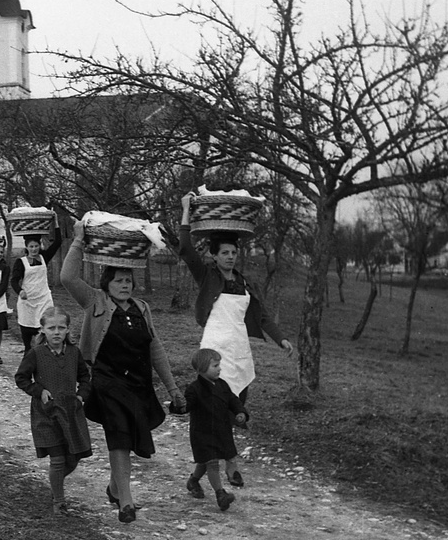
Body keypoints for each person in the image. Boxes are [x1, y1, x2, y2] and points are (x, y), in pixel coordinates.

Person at [60, 219, 184, 523]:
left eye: (128, 279)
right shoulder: (95, 301)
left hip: (138, 384)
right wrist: (78, 240)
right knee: (118, 433)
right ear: (107, 283)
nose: (124, 284)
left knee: (128, 437)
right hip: (105, 381)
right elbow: (66, 277)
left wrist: (173, 389)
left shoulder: (142, 308)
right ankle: (126, 503)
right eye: (118, 279)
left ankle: (116, 488)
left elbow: (155, 349)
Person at [178, 192, 293, 487]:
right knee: (215, 409)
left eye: (233, 252)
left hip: (239, 350)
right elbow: (185, 249)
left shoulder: (244, 282)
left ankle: (196, 478)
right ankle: (232, 466)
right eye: (224, 252)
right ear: (214, 256)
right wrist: (186, 212)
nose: (230, 256)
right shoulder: (207, 277)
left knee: (233, 408)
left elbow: (263, 315)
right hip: (215, 349)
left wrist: (280, 340)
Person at [14, 306, 92, 515]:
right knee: (57, 459)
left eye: (61, 327)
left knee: (73, 457)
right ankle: (59, 502)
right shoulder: (36, 354)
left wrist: (81, 395)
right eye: (51, 328)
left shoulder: (74, 353)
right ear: (43, 330)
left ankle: (55, 483)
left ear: (67, 330)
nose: (56, 332)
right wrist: (38, 391)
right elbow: (21, 378)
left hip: (70, 412)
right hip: (46, 413)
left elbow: (85, 378)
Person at [184, 348, 247, 512]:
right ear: (202, 368)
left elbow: (233, 400)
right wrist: (178, 406)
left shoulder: (222, 385)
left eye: (219, 365)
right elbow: (186, 406)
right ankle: (221, 494)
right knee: (211, 462)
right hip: (202, 433)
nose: (219, 368)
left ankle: (193, 481)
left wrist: (240, 412)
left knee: (206, 461)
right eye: (215, 365)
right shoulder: (194, 389)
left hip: (221, 430)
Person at [11, 226, 63, 352]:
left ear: (39, 246)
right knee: (27, 331)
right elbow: (14, 280)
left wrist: (55, 225)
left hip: (44, 297)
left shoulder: (44, 257)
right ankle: (28, 354)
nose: (34, 249)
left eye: (36, 246)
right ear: (27, 248)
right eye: (31, 247)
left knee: (46, 324)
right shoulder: (21, 262)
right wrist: (20, 291)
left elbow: (58, 242)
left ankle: (45, 353)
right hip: (28, 300)